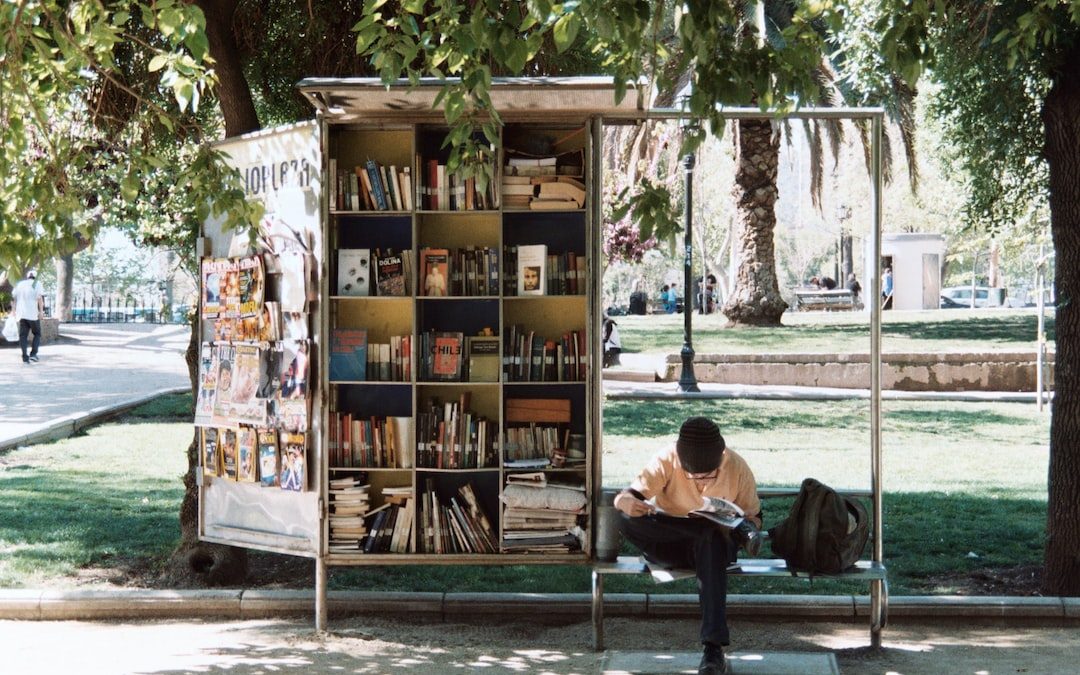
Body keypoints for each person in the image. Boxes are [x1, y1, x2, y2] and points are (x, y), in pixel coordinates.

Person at [614, 417, 762, 675]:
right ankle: (701, 530)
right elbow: (628, 496)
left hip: (715, 548)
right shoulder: (666, 459)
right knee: (623, 518)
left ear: (721, 456)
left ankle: (713, 650)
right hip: (671, 543)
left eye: (709, 475)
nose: (701, 481)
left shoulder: (737, 467)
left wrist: (748, 527)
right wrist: (624, 502)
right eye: (693, 475)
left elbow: (755, 518)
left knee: (710, 536)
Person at [12, 269, 45, 364]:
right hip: (32, 314)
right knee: (37, 333)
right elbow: (40, 299)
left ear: (27, 277)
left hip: (21, 314)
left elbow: (14, 299)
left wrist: (14, 312)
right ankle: (33, 355)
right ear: (35, 276)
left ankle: (25, 358)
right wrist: (41, 312)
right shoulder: (37, 283)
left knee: (23, 336)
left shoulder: (20, 284)